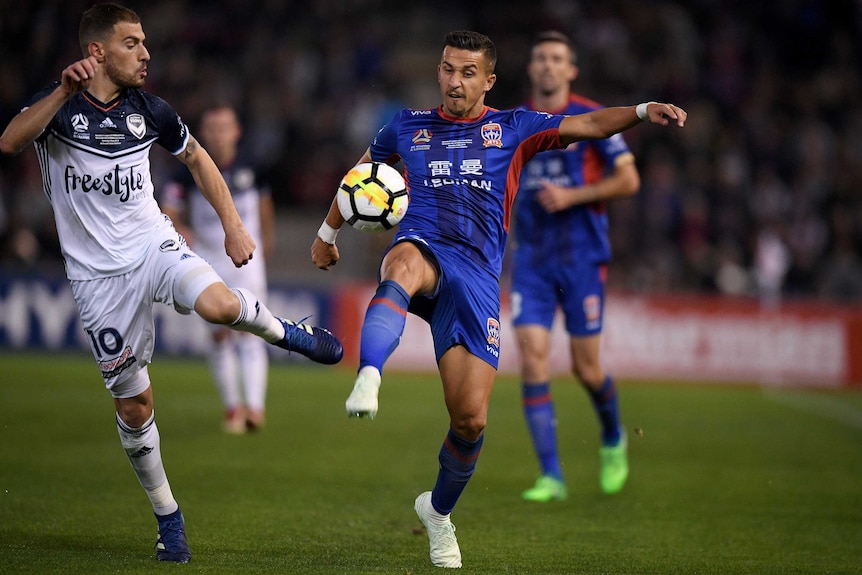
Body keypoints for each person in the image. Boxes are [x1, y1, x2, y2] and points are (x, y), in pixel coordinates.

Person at [310, 30, 685, 569]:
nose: (454, 81)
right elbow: (361, 178)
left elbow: (590, 125)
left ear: (488, 80)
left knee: (471, 420)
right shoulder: (406, 126)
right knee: (400, 265)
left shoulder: (514, 128)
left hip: (479, 280)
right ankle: (370, 374)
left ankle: (437, 512)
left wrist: (645, 110)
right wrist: (327, 235)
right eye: (446, 69)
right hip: (424, 248)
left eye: (467, 73)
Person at [0, 3, 342, 564]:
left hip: (152, 244)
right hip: (96, 279)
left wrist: (233, 224)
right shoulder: (57, 108)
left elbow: (200, 160)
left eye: (145, 42)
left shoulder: (150, 110)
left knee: (218, 305)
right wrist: (61, 92)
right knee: (135, 409)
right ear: (97, 52)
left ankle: (285, 332)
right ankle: (167, 514)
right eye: (132, 43)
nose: (146, 52)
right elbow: (10, 141)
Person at [511, 31, 640, 503]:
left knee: (587, 370)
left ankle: (612, 438)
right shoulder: (516, 122)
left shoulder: (593, 120)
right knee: (533, 361)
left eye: (556, 59)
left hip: (582, 258)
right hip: (533, 261)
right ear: (530, 68)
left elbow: (629, 179)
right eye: (540, 57)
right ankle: (551, 475)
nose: (547, 65)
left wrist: (574, 196)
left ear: (571, 70)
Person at [161, 104, 275, 434]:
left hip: (247, 261)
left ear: (236, 131)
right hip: (207, 260)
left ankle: (254, 408)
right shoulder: (188, 169)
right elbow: (169, 205)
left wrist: (267, 241)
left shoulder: (253, 165)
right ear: (203, 132)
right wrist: (179, 226)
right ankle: (232, 409)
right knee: (218, 335)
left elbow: (264, 207)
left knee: (253, 332)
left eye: (224, 127)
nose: (218, 134)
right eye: (211, 128)